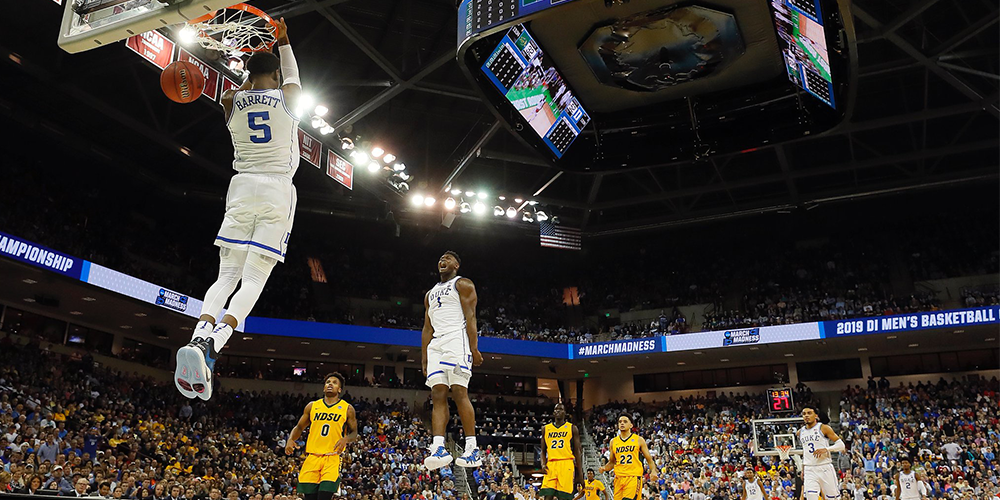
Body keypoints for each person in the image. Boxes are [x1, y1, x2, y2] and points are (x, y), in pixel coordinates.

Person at [174, 15, 302, 400]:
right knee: (254, 279)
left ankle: (198, 338)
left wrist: (255, 69)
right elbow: (291, 76)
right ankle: (215, 346)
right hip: (277, 190)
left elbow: (244, 89)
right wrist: (283, 41)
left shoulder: (230, 100)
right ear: (277, 75)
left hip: (241, 187)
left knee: (226, 275)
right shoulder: (288, 98)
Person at [421, 251, 484, 470]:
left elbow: (471, 317)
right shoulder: (429, 293)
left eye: (447, 258)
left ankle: (472, 448)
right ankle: (438, 447)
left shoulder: (463, 284)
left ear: (456, 264)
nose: (442, 261)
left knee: (459, 392)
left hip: (457, 340)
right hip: (436, 344)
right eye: (440, 258)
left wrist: (474, 348)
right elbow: (427, 328)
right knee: (437, 393)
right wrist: (424, 357)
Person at [285, 373, 357, 500]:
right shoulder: (312, 406)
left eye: (334, 383)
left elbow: (354, 433)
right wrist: (291, 439)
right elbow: (299, 427)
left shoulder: (347, 408)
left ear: (339, 390)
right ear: (324, 388)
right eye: (328, 382)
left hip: (332, 458)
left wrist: (345, 439)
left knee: (324, 496)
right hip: (312, 457)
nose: (330, 384)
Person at [597, 415, 658, 500]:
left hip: (633, 477)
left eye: (625, 421)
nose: (622, 423)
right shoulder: (613, 442)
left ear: (631, 425)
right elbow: (611, 462)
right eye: (620, 421)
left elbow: (649, 460)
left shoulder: (638, 440)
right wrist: (604, 468)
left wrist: (653, 471)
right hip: (618, 478)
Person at [797, 406, 845, 500]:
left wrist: (826, 449)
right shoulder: (800, 432)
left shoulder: (824, 428)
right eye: (804, 414)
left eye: (809, 413)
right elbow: (805, 451)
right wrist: (803, 468)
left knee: (832, 498)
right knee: (811, 496)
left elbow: (841, 445)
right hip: (809, 469)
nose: (806, 415)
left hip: (824, 467)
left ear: (816, 416)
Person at [539, 403, 583, 500]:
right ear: (553, 413)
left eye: (561, 409)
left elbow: (577, 452)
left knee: (563, 497)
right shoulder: (545, 429)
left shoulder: (572, 428)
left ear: (565, 413)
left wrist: (580, 474)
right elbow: (542, 451)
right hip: (551, 465)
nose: (558, 411)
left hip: (566, 464)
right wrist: (542, 464)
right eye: (556, 409)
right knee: (547, 496)